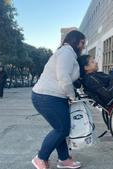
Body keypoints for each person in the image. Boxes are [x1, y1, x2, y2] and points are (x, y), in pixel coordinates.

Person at [31, 30, 85, 169]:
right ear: (75, 41)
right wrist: (71, 95)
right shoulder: (66, 52)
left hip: (53, 96)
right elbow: (63, 77)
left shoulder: (68, 54)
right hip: (47, 96)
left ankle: (64, 159)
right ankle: (40, 157)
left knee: (60, 129)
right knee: (62, 129)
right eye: (82, 43)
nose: (83, 46)